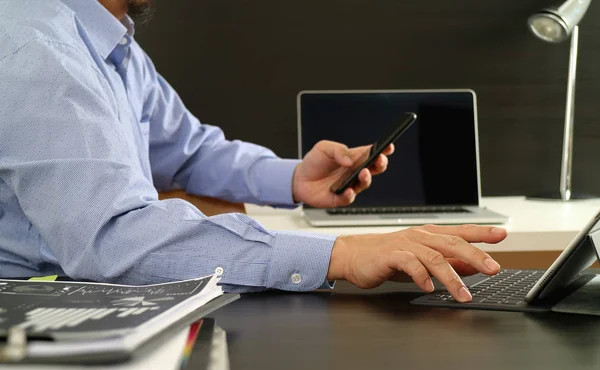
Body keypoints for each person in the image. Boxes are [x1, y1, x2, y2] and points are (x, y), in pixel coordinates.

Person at [0, 0, 507, 303]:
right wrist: (341, 254)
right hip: (35, 307)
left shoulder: (110, 42)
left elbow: (189, 151)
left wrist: (292, 181)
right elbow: (111, 236)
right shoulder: (39, 51)